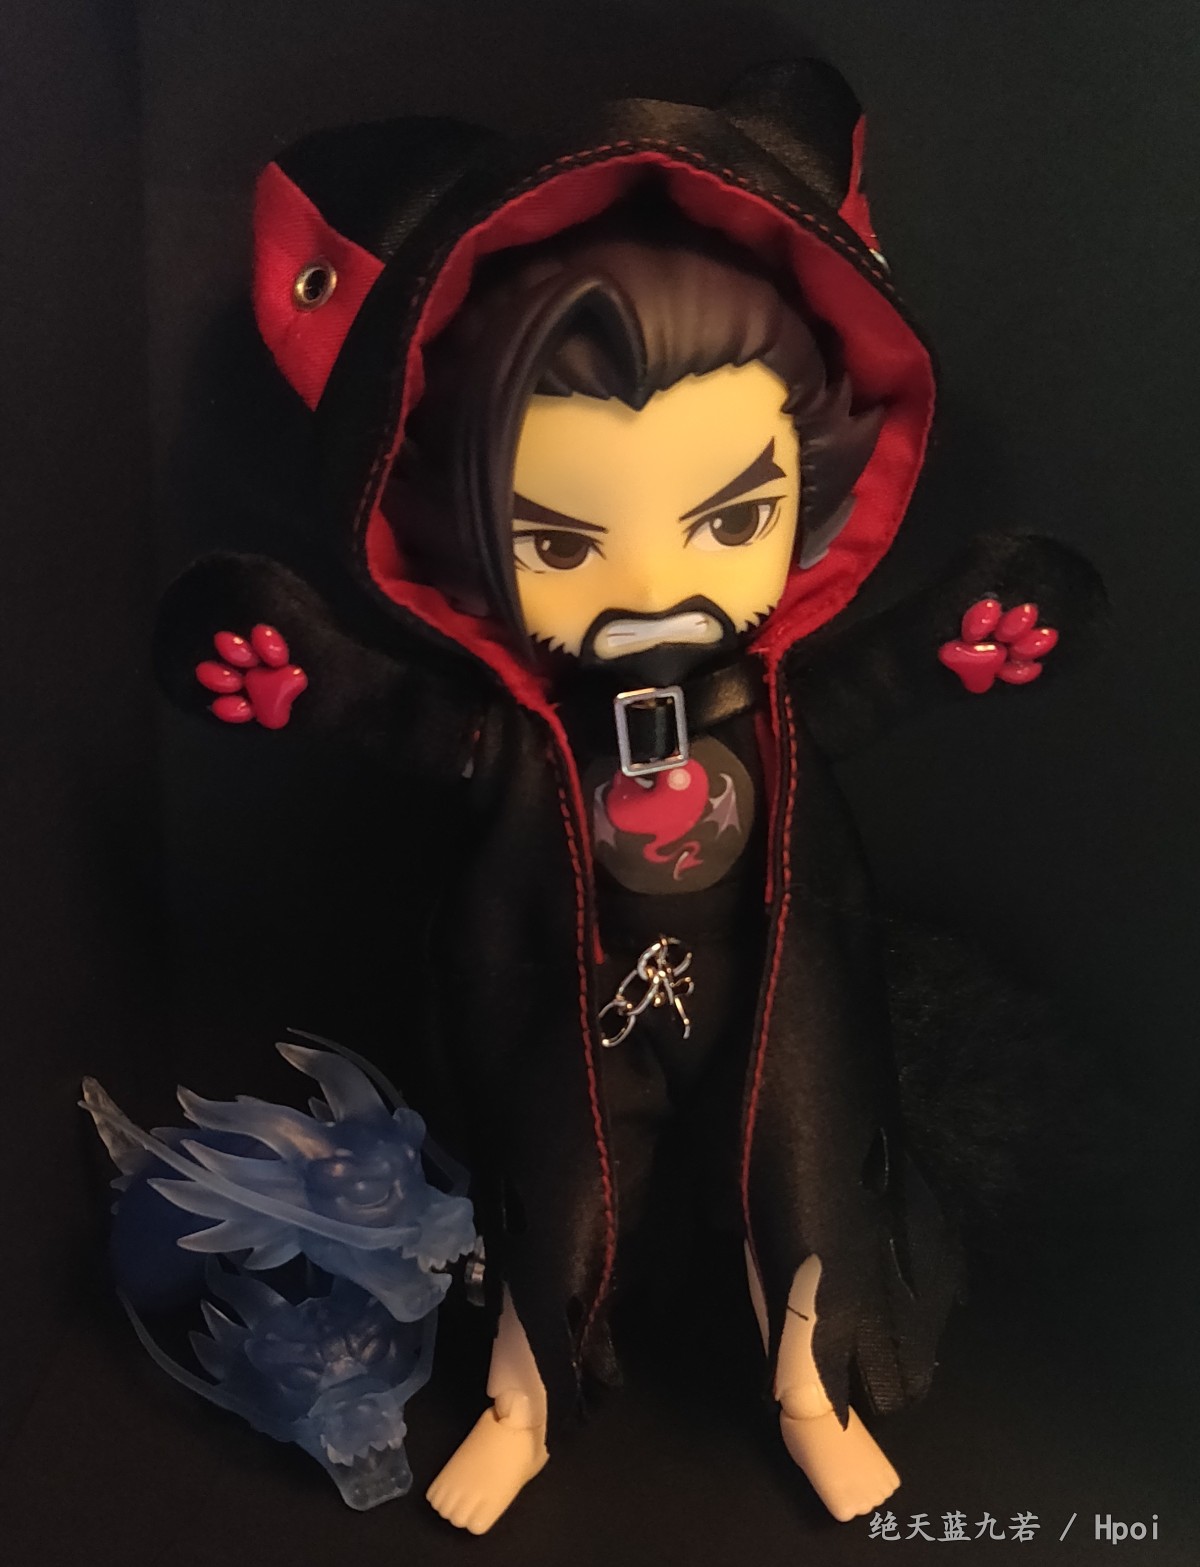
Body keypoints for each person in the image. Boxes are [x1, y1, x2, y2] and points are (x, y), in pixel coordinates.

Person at [158, 58, 1102, 1535]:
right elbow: (411, 720)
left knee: (803, 1181)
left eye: (732, 517)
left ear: (814, 484)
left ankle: (814, 1392)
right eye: (559, 541)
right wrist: (311, 679)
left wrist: (956, 642)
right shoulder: (529, 733)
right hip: (573, 999)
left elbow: (866, 690)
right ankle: (524, 1400)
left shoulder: (767, 705)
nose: (656, 589)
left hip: (771, 989)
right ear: (463, 535)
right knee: (558, 1200)